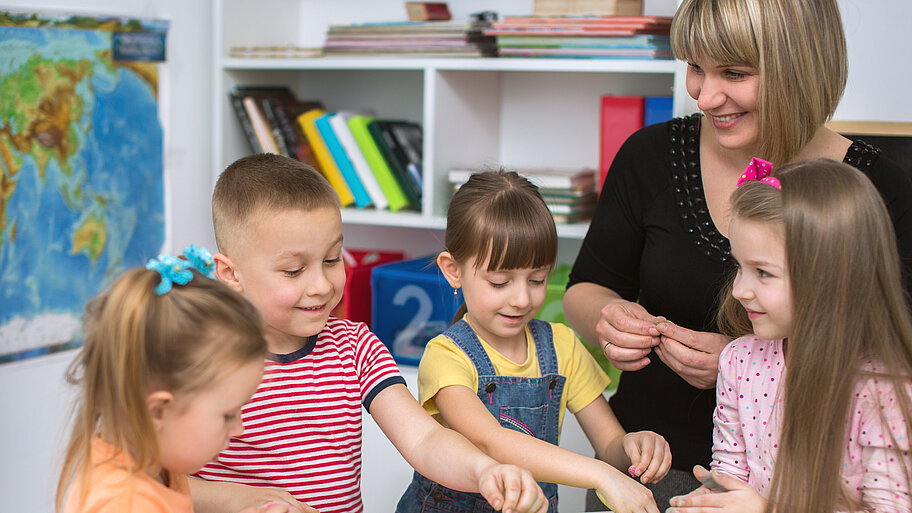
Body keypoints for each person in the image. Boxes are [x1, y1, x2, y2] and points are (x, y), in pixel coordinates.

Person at [561, 0, 912, 506]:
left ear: (800, 66)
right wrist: (609, 319)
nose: (705, 95)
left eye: (734, 72)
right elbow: (586, 288)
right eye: (695, 68)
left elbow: (890, 354)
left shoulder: (875, 189)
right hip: (647, 464)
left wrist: (743, 360)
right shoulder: (649, 156)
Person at [191, 153, 548, 513]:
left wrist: (483, 469)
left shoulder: (356, 348)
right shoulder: (197, 360)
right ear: (231, 274)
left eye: (332, 260)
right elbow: (143, 475)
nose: (321, 285)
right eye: (294, 270)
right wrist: (235, 499)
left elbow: (424, 440)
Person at [396, 170, 672, 513]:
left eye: (538, 279)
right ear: (454, 270)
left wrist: (634, 447)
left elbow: (610, 443)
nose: (522, 299)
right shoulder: (446, 356)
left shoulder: (561, 345)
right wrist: (600, 476)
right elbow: (491, 442)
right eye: (500, 282)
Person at [668, 158, 912, 512]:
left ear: (831, 276)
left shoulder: (884, 389)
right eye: (739, 266)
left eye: (763, 273)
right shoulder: (739, 361)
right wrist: (709, 500)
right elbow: (729, 476)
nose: (739, 290)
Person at [55, 246, 281, 513]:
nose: (239, 429)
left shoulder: (156, 463)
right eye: (228, 414)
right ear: (158, 411)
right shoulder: (124, 504)